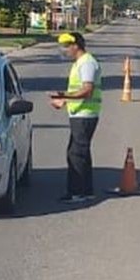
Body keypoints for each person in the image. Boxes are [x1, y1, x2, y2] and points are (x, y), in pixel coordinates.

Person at [50, 32, 102, 203]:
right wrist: (64, 99)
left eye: (66, 46)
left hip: (84, 114)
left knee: (76, 154)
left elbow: (87, 90)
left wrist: (65, 97)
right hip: (80, 113)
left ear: (76, 46)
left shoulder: (87, 63)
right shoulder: (80, 63)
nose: (65, 50)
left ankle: (76, 192)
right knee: (81, 152)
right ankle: (86, 190)